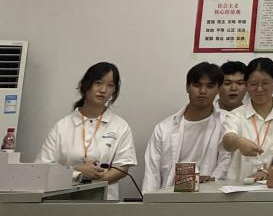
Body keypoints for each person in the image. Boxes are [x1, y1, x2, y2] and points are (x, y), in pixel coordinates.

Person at [38, 62, 137, 200]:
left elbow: (122, 168)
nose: (103, 90)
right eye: (98, 83)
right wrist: (77, 171)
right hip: (63, 201)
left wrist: (90, 180)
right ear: (85, 84)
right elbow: (42, 169)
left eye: (110, 85)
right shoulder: (62, 126)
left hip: (104, 203)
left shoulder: (120, 126)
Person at [142, 63, 230, 193]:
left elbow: (226, 161)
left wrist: (213, 180)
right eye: (197, 85)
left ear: (218, 89)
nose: (203, 91)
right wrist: (149, 201)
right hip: (169, 198)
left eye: (210, 86)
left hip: (211, 197)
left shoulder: (227, 122)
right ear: (187, 87)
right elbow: (151, 173)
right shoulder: (163, 128)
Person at [221, 58, 273, 184]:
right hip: (238, 187)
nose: (259, 89)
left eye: (265, 83)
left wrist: (268, 171)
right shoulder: (236, 115)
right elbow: (227, 141)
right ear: (246, 85)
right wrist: (238, 141)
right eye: (253, 84)